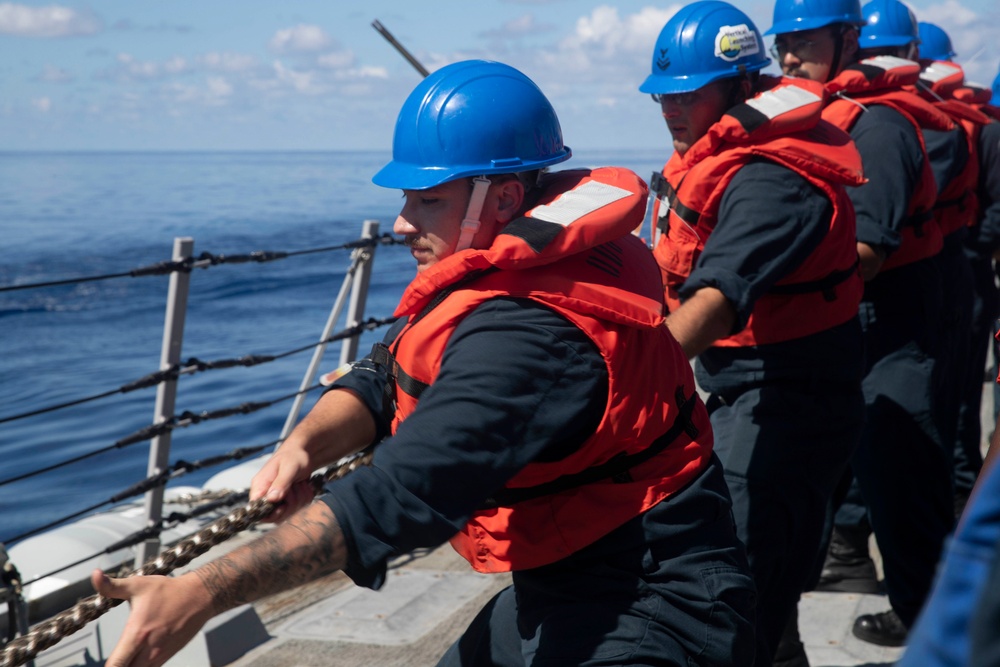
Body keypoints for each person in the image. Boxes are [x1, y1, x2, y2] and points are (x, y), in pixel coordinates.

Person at [90, 59, 757, 667]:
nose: (401, 222)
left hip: (654, 603)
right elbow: (385, 374)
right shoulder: (501, 273)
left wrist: (201, 592)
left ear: (501, 199)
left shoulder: (531, 334)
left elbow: (403, 493)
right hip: (566, 578)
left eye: (427, 199)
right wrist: (302, 445)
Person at [639, 2, 866, 664]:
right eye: (662, 96)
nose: (671, 109)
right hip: (743, 386)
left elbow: (718, 294)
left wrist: (630, 376)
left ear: (741, 85)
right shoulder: (721, 150)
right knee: (762, 597)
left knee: (736, 578)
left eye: (688, 92)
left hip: (793, 398)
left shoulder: (774, 177)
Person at [767, 0, 957, 648]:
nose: (790, 56)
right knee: (868, 466)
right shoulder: (823, 119)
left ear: (848, 39)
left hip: (891, 325)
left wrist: (764, 273)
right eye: (782, 43)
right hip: (853, 327)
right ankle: (875, 575)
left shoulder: (875, 127)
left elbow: (867, 252)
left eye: (806, 41)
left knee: (904, 471)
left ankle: (930, 620)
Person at [913, 21, 991, 520]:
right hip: (942, 270)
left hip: (960, 268)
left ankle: (964, 503)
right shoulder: (931, 123)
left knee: (959, 397)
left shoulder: (958, 129)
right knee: (945, 395)